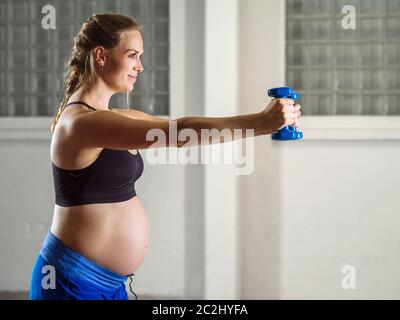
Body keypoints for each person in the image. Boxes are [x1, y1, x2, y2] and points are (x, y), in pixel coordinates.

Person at [29, 13, 301, 300]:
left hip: (109, 284)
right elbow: (178, 133)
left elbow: (182, 129)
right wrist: (261, 122)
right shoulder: (82, 123)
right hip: (73, 283)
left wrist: (262, 123)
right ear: (100, 55)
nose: (140, 66)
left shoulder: (110, 118)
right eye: (132, 55)